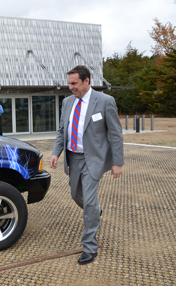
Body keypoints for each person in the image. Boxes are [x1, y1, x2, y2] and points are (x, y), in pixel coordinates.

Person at [50, 65, 124, 265]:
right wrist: (56, 152)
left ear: (86, 81)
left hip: (94, 159)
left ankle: (90, 247)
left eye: (74, 83)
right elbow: (62, 131)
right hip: (73, 158)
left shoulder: (105, 101)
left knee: (90, 201)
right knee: (76, 195)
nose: (71, 87)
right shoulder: (66, 103)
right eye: (69, 84)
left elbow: (116, 134)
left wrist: (117, 162)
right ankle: (95, 212)